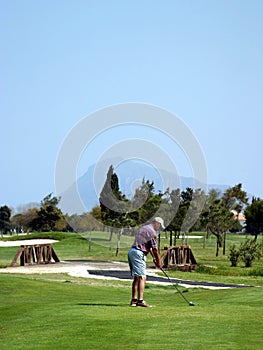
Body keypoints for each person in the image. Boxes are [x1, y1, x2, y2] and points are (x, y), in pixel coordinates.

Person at [128, 217, 165, 307]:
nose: (159, 229)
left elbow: (149, 247)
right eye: (159, 226)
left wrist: (154, 258)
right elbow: (155, 249)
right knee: (142, 277)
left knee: (137, 278)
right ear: (156, 223)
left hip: (132, 252)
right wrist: (158, 261)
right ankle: (140, 301)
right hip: (138, 253)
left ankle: (134, 300)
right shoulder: (152, 231)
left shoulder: (144, 228)